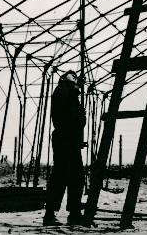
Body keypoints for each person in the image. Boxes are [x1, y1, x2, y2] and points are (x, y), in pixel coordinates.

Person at [43, 70, 86, 226]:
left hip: (70, 139)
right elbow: (68, 115)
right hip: (65, 139)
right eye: (73, 77)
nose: (75, 79)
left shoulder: (69, 92)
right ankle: (54, 213)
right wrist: (76, 90)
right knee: (62, 176)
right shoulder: (63, 91)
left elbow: (77, 117)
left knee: (73, 176)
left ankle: (72, 212)